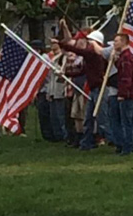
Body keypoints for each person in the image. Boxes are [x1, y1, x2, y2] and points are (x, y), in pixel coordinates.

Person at [58, 21, 111, 150]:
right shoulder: (90, 57)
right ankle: (87, 143)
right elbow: (82, 71)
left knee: (102, 118)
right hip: (93, 90)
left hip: (100, 89)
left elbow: (74, 48)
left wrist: (62, 43)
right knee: (88, 118)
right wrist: (66, 73)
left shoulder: (93, 54)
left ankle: (113, 140)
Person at [31, 40, 53, 141]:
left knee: (44, 113)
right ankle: (46, 133)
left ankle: (48, 134)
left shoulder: (43, 59)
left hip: (45, 89)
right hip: (42, 89)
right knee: (43, 113)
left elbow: (42, 76)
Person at [47, 40, 68, 142]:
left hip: (60, 89)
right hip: (52, 90)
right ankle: (58, 135)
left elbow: (62, 72)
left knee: (61, 115)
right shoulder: (52, 58)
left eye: (55, 43)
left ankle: (65, 135)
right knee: (54, 116)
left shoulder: (63, 57)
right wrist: (49, 91)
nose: (53, 45)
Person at [64, 51, 86, 147]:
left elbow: (79, 70)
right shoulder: (68, 59)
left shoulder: (82, 59)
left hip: (83, 89)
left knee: (83, 115)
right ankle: (78, 137)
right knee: (75, 115)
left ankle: (87, 138)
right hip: (74, 90)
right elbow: (69, 71)